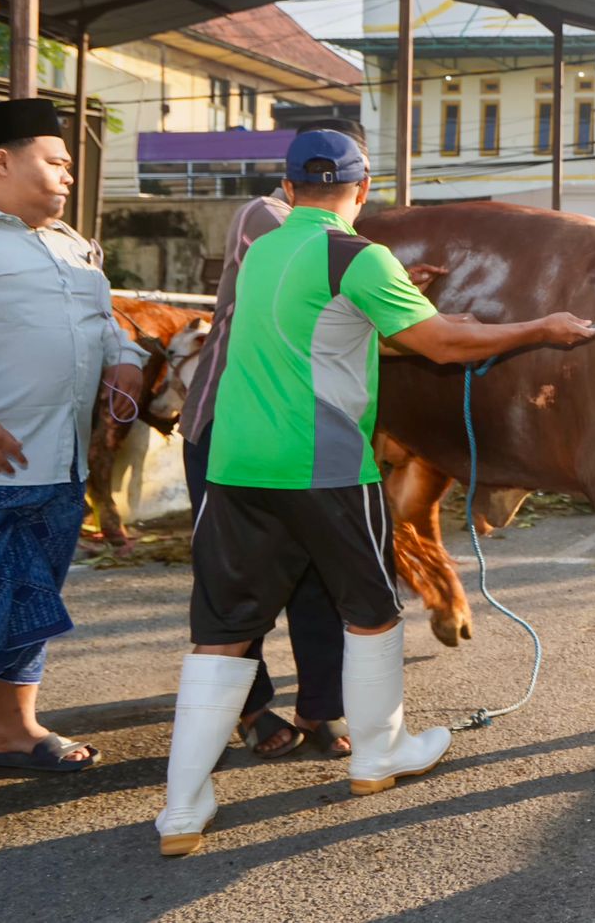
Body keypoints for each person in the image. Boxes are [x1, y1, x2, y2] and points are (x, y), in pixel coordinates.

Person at [156, 129, 595, 856]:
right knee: (370, 611)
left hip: (236, 464)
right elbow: (441, 346)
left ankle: (182, 806)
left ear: (291, 188)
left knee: (224, 628)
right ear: (362, 190)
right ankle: (378, 752)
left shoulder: (263, 249)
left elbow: (339, 331)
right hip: (323, 465)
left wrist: (406, 306)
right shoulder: (358, 256)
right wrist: (542, 327)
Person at [178, 118, 443, 762]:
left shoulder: (336, 246)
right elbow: (320, 285)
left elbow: (333, 310)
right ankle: (252, 710)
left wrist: (385, 292)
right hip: (229, 425)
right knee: (239, 599)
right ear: (360, 183)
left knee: (316, 586)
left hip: (290, 434)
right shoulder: (268, 222)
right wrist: (384, 289)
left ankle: (316, 710)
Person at [0, 98, 145, 773]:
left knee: (29, 602)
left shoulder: (72, 244)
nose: (70, 175)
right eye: (56, 162)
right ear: (1, 161)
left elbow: (103, 321)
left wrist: (125, 359)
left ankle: (12, 731)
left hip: (58, 464)